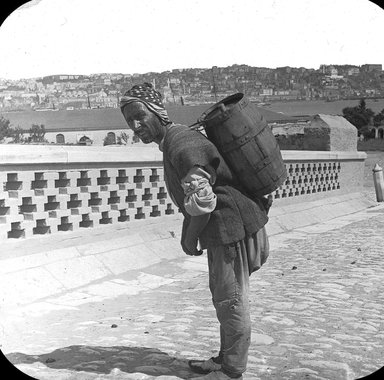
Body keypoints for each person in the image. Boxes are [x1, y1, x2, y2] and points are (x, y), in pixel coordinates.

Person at [120, 83, 270, 380]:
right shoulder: (175, 140)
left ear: (156, 112)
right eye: (129, 121)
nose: (136, 126)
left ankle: (232, 370)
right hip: (229, 230)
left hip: (232, 230)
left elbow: (203, 202)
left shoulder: (181, 144)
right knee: (224, 296)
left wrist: (189, 237)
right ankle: (225, 358)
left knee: (231, 299)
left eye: (140, 116)